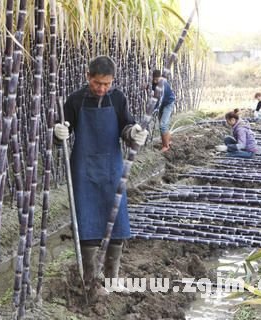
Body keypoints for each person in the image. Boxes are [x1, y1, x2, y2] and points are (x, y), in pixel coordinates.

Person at [53, 56, 148, 295]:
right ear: (88, 77)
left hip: (112, 167)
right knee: (87, 222)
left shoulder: (118, 99)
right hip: (83, 168)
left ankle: (112, 279)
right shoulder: (75, 100)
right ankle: (91, 281)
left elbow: (127, 127)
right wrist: (58, 132)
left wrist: (134, 132)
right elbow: (63, 130)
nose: (102, 89)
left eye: (107, 84)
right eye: (97, 83)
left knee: (117, 221)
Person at [152, 69, 176, 152]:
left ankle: (166, 146)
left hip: (168, 103)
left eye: (157, 80)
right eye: (154, 79)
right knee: (162, 125)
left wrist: (154, 109)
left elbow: (160, 100)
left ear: (160, 78)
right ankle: (167, 142)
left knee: (163, 124)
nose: (155, 81)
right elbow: (153, 89)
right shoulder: (154, 83)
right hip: (162, 104)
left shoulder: (163, 86)